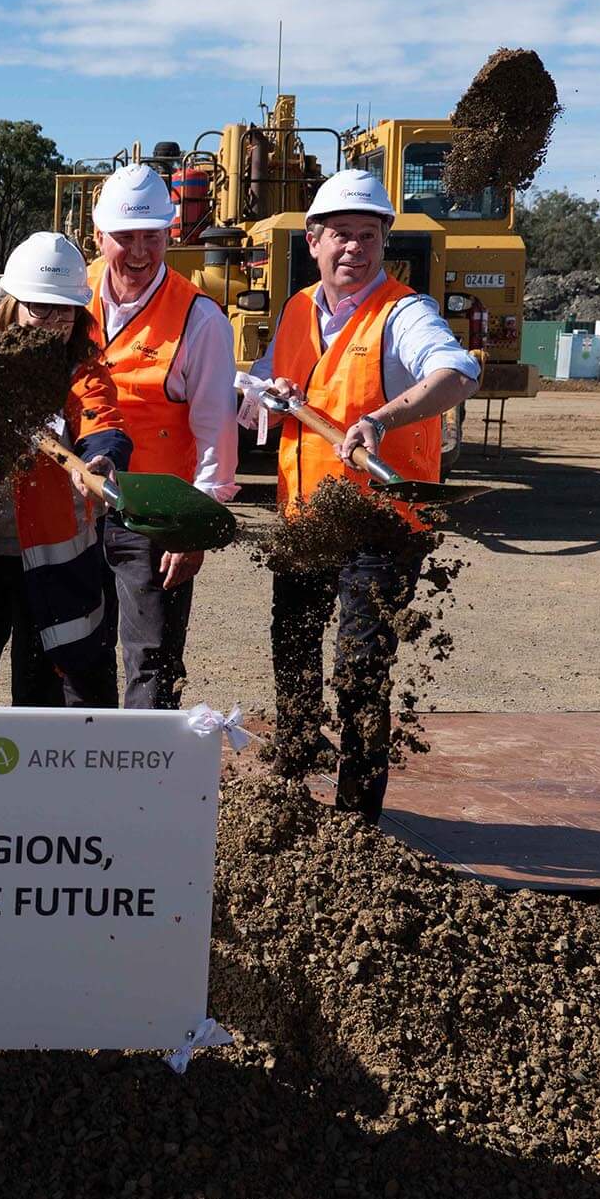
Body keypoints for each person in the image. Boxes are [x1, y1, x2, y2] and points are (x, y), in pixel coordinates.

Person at [256, 169, 481, 822]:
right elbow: (276, 383)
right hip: (306, 517)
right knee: (293, 655)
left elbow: (455, 371)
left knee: (357, 669)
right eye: (340, 236)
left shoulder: (404, 312)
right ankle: (292, 789)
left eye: (367, 235)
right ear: (313, 240)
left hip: (380, 524)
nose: (353, 248)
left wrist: (382, 419)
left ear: (383, 243)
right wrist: (265, 396)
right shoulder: (298, 308)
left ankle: (357, 818)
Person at [0, 233, 130, 707]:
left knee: (39, 693)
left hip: (50, 563)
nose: (52, 322)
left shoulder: (82, 371)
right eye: (39, 308)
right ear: (12, 304)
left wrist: (102, 457)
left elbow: (101, 419)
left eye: (64, 311)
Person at [86, 162, 242, 710]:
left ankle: (144, 784)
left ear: (168, 236)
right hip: (74, 508)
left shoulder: (199, 320)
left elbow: (216, 432)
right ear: (98, 234)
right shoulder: (68, 296)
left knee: (150, 658)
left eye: (150, 237)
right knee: (72, 650)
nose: (138, 252)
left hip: (154, 514)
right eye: (124, 238)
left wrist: (193, 526)